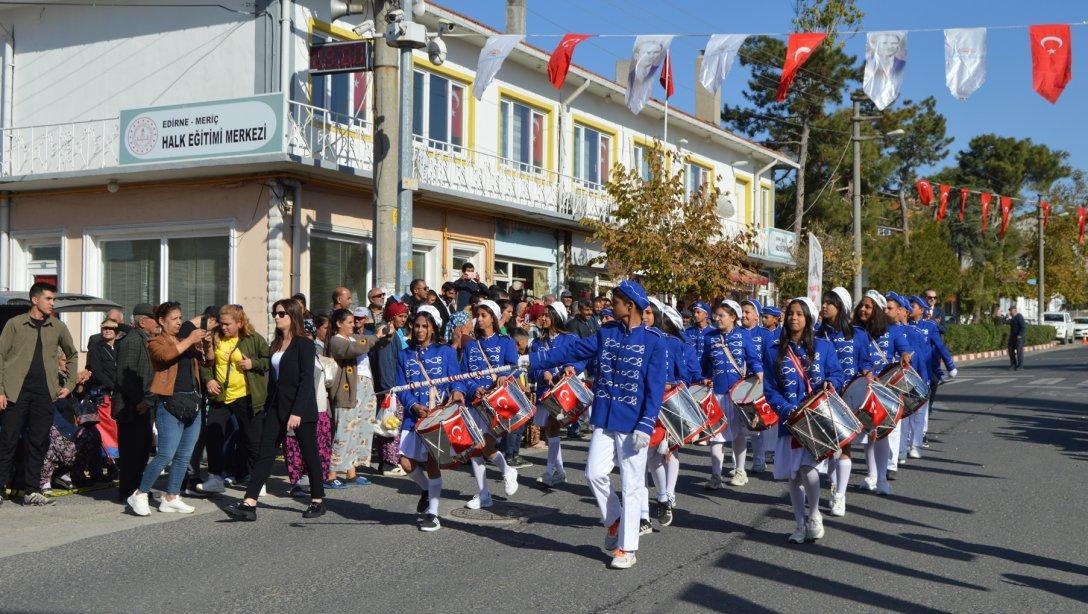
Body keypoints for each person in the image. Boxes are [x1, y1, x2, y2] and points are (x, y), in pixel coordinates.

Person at [524, 280, 667, 570]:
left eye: (614, 301)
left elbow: (655, 387)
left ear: (630, 305)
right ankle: (614, 519)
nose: (609, 306)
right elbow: (572, 351)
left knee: (632, 484)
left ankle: (627, 548)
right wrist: (532, 360)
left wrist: (646, 424)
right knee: (593, 474)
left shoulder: (654, 341)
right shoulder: (607, 332)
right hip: (603, 416)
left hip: (633, 423)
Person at [226, 299, 326, 520]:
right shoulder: (276, 344)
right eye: (274, 313)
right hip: (276, 406)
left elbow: (305, 380)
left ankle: (317, 499)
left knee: (309, 453)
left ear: (292, 315)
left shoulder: (304, 344)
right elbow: (274, 379)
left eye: (281, 313)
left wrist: (297, 412)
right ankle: (249, 503)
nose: (276, 317)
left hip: (300, 407)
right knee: (265, 452)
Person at [762, 298, 844, 544]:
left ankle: (815, 513)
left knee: (808, 469)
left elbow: (837, 374)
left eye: (799, 314)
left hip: (815, 418)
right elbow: (770, 389)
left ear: (809, 318)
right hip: (790, 420)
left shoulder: (823, 347)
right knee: (793, 476)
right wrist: (785, 408)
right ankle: (799, 524)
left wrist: (832, 384)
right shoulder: (774, 350)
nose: (793, 318)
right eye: (790, 313)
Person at [126, 302, 209, 516]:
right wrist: (191, 339)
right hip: (169, 405)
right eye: (174, 318)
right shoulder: (155, 341)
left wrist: (207, 346)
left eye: (180, 317)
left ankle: (171, 497)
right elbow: (165, 356)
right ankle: (139, 494)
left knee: (184, 455)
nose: (179, 322)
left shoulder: (185, 342)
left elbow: (209, 361)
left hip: (193, 402)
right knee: (165, 454)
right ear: (162, 321)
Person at [0, 282, 78, 507]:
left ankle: (32, 490)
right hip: (16, 392)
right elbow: (1, 356)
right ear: (35, 300)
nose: (53, 303)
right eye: (49, 299)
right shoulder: (15, 324)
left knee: (38, 442)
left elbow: (72, 354)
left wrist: (70, 383)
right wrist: (1, 391)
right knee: (8, 441)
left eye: (53, 299)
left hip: (44, 394)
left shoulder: (57, 326)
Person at [396, 305, 467, 532]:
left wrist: (457, 390)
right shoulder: (404, 354)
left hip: (438, 415)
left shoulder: (445, 352)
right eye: (416, 326)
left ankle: (433, 514)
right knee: (404, 462)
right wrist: (413, 404)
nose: (419, 330)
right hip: (413, 415)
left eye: (424, 326)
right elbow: (400, 387)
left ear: (433, 329)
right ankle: (426, 489)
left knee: (432, 462)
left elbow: (457, 378)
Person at [195, 305, 270, 494]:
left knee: (252, 438)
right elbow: (205, 363)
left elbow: (268, 360)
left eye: (228, 324)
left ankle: (257, 479)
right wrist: (209, 379)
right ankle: (215, 477)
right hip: (221, 396)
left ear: (239, 323)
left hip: (246, 395)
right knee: (214, 434)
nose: (224, 327)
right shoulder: (214, 337)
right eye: (222, 323)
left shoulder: (253, 339)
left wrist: (253, 363)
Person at [817, 287, 873, 517]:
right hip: (824, 396)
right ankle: (833, 486)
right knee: (829, 447)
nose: (824, 306)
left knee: (845, 445)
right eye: (823, 302)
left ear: (841, 307)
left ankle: (841, 495)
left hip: (850, 396)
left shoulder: (858, 334)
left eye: (829, 303)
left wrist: (866, 382)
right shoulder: (817, 334)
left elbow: (866, 363)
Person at [460, 300, 520, 509]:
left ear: (493, 319)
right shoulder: (470, 346)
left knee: (485, 445)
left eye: (484, 315)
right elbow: (464, 374)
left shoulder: (505, 342)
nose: (479, 319)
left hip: (496, 401)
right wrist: (472, 387)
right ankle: (484, 494)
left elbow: (515, 367)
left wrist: (504, 376)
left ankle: (507, 470)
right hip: (474, 401)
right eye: (478, 315)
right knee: (476, 447)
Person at [853, 290, 911, 495]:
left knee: (881, 432)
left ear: (876, 310)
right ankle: (871, 474)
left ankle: (882, 478)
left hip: (885, 388)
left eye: (868, 307)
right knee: (868, 432)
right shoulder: (854, 330)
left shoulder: (892, 329)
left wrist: (904, 355)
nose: (862, 309)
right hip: (862, 385)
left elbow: (904, 349)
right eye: (861, 305)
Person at [701, 300, 761, 490]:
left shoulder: (743, 335)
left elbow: (752, 358)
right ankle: (716, 475)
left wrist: (759, 372)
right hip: (717, 393)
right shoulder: (709, 337)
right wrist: (703, 378)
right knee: (715, 436)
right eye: (716, 315)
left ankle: (740, 471)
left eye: (721, 316)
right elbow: (705, 364)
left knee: (738, 434)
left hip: (738, 394)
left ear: (733, 317)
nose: (717, 319)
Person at [647, 303, 697, 528]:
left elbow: (685, 376)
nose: (645, 317)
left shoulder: (675, 344)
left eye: (650, 313)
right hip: (649, 404)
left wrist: (672, 384)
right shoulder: (642, 340)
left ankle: (669, 492)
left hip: (670, 403)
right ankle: (662, 496)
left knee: (669, 451)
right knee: (653, 456)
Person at [527, 301, 585, 486]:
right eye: (542, 314)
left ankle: (550, 473)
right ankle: (559, 471)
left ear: (556, 318)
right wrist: (542, 373)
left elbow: (582, 359)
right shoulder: (537, 342)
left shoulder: (571, 338)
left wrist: (570, 367)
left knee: (553, 426)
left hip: (564, 389)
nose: (542, 318)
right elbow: (531, 370)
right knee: (551, 430)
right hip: (546, 391)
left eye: (547, 315)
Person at [326, 309, 382, 488]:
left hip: (365, 387)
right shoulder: (336, 341)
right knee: (344, 431)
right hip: (348, 391)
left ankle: (352, 472)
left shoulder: (356, 338)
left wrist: (385, 333)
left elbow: (373, 343)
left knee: (361, 430)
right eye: (349, 322)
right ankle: (331, 474)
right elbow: (354, 349)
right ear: (338, 324)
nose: (353, 325)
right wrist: (375, 338)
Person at [114, 303, 158, 503]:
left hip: (145, 404)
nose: (158, 324)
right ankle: (128, 490)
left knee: (142, 449)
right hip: (131, 407)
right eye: (154, 320)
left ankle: (138, 488)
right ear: (142, 321)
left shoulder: (146, 339)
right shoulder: (132, 341)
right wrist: (139, 401)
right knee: (131, 451)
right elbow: (126, 376)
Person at [907, 295, 956, 459]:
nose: (909, 308)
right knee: (906, 410)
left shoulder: (929, 326)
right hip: (905, 373)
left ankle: (916, 443)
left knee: (920, 410)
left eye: (912, 305)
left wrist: (950, 365)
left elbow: (940, 347)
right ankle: (904, 444)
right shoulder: (903, 326)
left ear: (921, 310)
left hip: (923, 373)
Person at [372, 301, 409, 476]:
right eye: (401, 316)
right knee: (389, 425)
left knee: (391, 423)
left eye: (405, 316)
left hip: (395, 384)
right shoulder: (388, 333)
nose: (404, 319)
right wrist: (389, 388)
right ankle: (388, 463)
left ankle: (391, 461)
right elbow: (385, 361)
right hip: (390, 387)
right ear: (393, 316)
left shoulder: (397, 332)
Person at [740, 298, 775, 473]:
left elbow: (771, 360)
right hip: (739, 384)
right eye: (742, 311)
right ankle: (738, 466)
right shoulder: (736, 333)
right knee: (740, 425)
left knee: (758, 424)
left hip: (760, 383)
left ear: (756, 316)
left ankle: (759, 458)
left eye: (747, 312)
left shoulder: (765, 335)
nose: (743, 315)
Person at [86, 319, 119, 394]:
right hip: (103, 390)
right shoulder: (95, 348)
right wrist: (113, 387)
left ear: (116, 331)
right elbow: (96, 372)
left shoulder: (120, 346)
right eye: (105, 328)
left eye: (110, 328)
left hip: (119, 389)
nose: (107, 331)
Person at [683, 301, 712, 366]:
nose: (695, 315)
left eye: (698, 312)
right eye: (694, 312)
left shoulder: (714, 332)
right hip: (691, 370)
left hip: (708, 372)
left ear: (706, 315)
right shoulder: (688, 332)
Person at [1007, 305, 1026, 370]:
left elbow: (1023, 327)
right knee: (1010, 350)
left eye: (1011, 311)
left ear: (1015, 310)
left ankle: (1020, 366)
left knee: (1019, 352)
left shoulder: (1019, 317)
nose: (1010, 312)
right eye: (1009, 311)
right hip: (1012, 337)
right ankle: (1013, 364)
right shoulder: (1012, 318)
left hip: (1019, 337)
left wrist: (1020, 335)